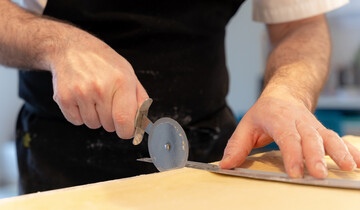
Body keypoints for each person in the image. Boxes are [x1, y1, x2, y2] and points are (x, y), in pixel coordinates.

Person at [0, 0, 359, 194]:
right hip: (62, 162)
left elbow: (300, 25)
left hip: (209, 148)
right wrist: (58, 45)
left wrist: (288, 92)